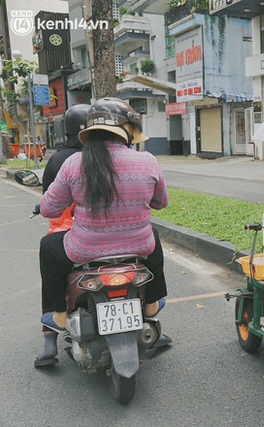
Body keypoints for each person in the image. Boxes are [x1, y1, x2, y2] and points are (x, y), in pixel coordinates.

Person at [34, 98, 170, 367]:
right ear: (126, 131)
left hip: (84, 249)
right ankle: (152, 303)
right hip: (137, 247)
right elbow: (161, 203)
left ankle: (59, 315)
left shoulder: (73, 163)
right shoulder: (148, 161)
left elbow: (49, 208)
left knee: (48, 245)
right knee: (152, 235)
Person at [41, 104, 90, 234]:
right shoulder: (110, 156)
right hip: (120, 233)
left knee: (47, 245)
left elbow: (48, 204)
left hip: (74, 231)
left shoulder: (58, 160)